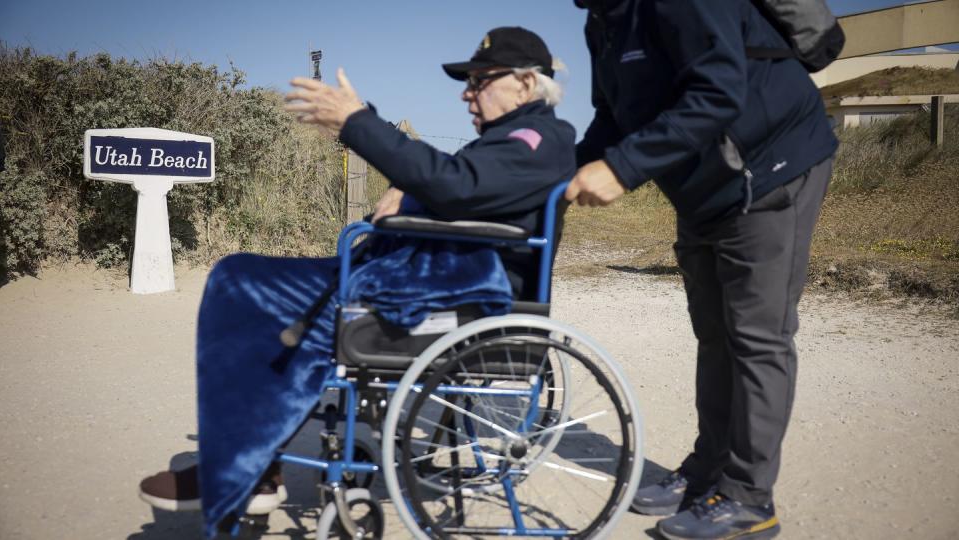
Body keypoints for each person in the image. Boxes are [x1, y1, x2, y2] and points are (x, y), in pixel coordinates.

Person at [137, 26, 575, 537]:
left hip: (460, 295)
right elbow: (464, 188)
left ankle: (242, 468)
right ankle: (245, 458)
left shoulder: (533, 139)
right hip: (435, 275)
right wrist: (408, 194)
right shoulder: (521, 139)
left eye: (479, 81)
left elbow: (458, 188)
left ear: (525, 84)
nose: (466, 92)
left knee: (242, 285)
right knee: (242, 278)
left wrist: (358, 123)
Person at [566, 1, 838, 539]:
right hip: (705, 188)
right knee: (714, 335)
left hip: (771, 165)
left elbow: (718, 91)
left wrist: (622, 167)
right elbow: (613, 116)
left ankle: (748, 499)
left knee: (757, 337)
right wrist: (561, 169)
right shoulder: (602, 18)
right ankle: (707, 473)